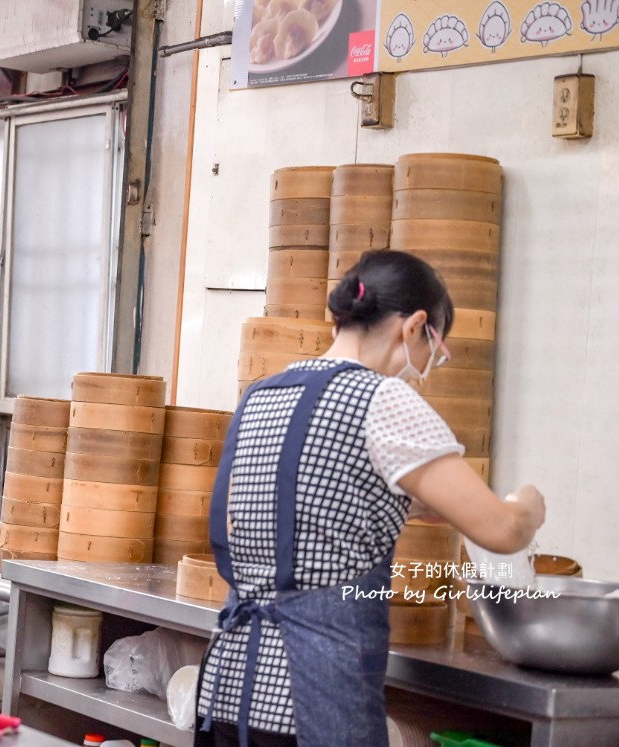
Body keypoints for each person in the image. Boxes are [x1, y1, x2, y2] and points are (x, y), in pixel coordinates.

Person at [195, 250, 546, 746]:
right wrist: (528, 504)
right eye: (436, 349)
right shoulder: (384, 400)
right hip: (315, 703)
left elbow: (303, 508)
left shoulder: (263, 394)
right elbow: (503, 531)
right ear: (416, 326)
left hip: (229, 694)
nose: (429, 367)